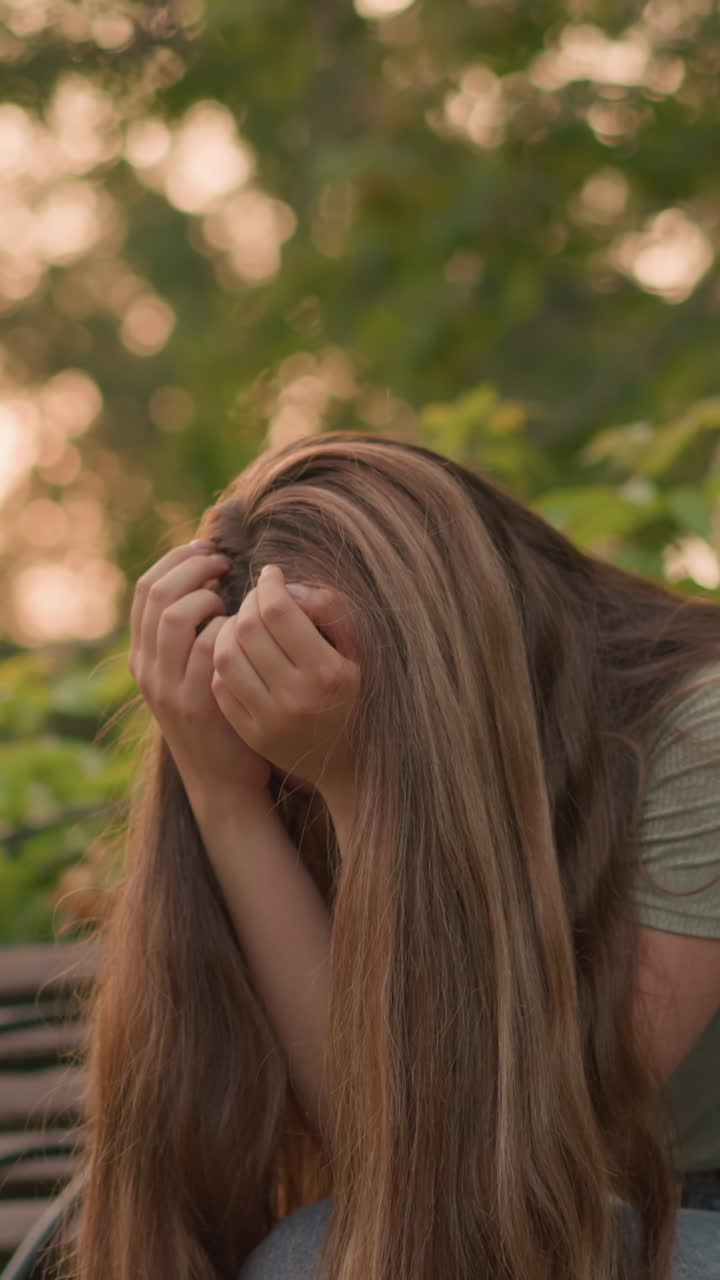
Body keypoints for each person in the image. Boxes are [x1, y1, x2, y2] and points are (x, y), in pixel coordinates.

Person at [65, 431, 720, 1280]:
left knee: (309, 1259)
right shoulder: (283, 770)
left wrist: (368, 780)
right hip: (534, 1215)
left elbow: (506, 1163)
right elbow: (383, 1144)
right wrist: (224, 798)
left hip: (669, 1198)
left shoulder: (695, 738)